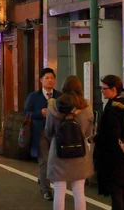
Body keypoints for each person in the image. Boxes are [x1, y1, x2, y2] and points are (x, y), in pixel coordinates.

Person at [93, 75, 124, 210]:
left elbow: (112, 133)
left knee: (116, 191)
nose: (101, 91)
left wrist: (97, 139)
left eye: (104, 88)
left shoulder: (114, 107)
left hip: (113, 154)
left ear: (113, 89)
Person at [45, 76, 94, 210]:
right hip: (79, 152)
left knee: (59, 190)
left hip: (59, 152)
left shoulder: (53, 105)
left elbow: (48, 131)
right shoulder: (86, 106)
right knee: (79, 191)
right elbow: (89, 131)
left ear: (64, 88)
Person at [24, 67, 61, 201]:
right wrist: (40, 113)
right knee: (44, 161)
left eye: (52, 78)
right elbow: (26, 113)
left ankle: (44, 180)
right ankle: (46, 190)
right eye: (47, 78)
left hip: (56, 134)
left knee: (55, 161)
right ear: (41, 80)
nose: (50, 80)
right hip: (40, 133)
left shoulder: (59, 96)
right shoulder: (34, 96)